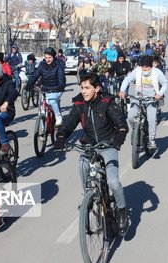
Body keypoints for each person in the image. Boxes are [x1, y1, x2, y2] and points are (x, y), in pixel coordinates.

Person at [54, 72, 129, 235]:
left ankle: (122, 211)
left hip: (108, 145)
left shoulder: (107, 102)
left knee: (114, 183)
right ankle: (90, 196)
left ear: (97, 88)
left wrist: (120, 135)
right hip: (89, 145)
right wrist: (61, 136)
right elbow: (68, 124)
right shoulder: (79, 104)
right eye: (82, 88)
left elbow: (121, 123)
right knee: (82, 165)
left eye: (87, 88)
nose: (84, 91)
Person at [119, 55, 168, 150]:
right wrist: (122, 90)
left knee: (151, 119)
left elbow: (165, 83)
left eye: (147, 67)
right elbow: (127, 79)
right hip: (138, 99)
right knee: (130, 117)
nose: (145, 69)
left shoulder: (157, 72)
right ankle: (136, 130)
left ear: (151, 66)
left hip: (151, 100)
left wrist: (160, 94)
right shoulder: (137, 71)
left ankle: (151, 140)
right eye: (143, 66)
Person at [25, 47, 66, 126]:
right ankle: (42, 129)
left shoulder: (59, 65)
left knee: (51, 100)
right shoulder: (42, 64)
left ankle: (58, 116)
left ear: (54, 57)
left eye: (50, 57)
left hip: (57, 89)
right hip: (45, 89)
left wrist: (60, 87)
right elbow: (35, 75)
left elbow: (61, 79)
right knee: (41, 108)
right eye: (46, 57)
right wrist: (28, 85)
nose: (47, 60)